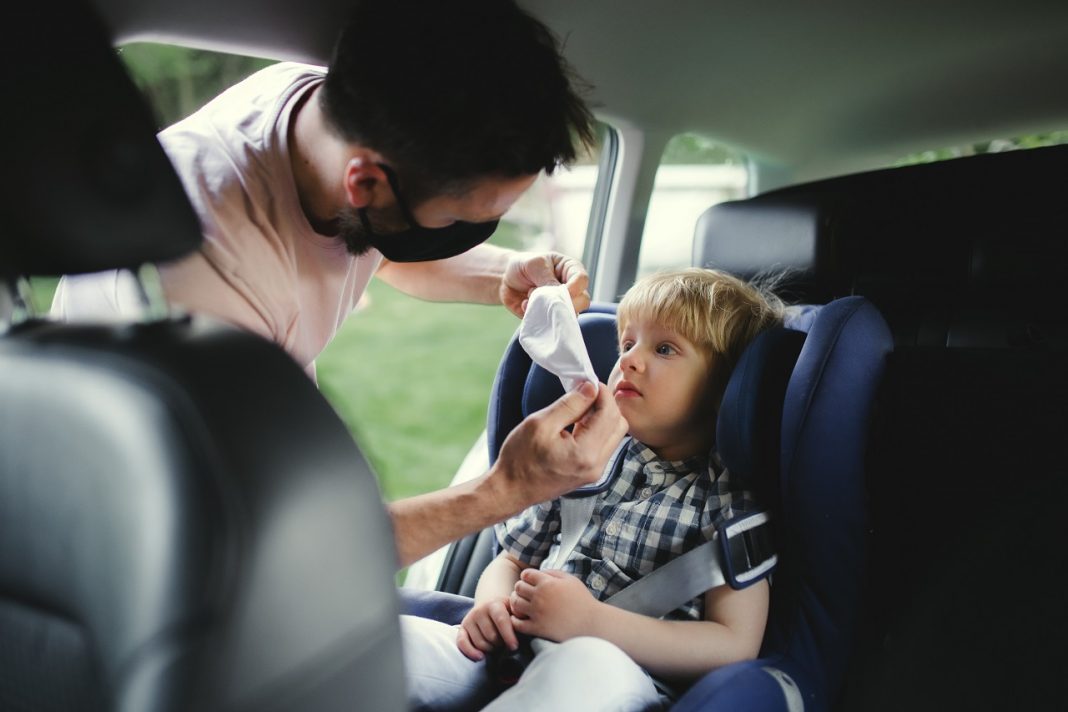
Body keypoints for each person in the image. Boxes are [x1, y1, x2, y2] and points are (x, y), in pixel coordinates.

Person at [50, 0, 627, 567]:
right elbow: (294, 548)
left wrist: (505, 271)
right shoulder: (201, 273)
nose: (469, 234)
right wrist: (508, 488)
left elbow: (375, 243)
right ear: (366, 182)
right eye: (457, 220)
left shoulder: (330, 118)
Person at [402, 268, 785, 710]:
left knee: (584, 665)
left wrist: (589, 621)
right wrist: (492, 605)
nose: (629, 360)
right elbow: (511, 559)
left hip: (616, 676)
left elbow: (733, 644)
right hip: (512, 653)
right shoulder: (583, 458)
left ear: (724, 387)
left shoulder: (726, 501)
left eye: (664, 349)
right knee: (398, 645)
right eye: (627, 344)